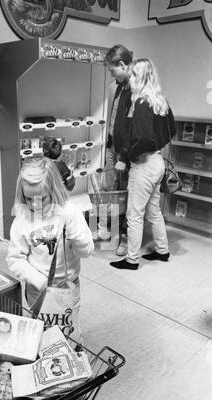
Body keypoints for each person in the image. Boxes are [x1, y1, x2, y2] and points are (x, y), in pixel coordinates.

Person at [6, 157, 94, 336]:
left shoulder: (69, 212)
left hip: (68, 286)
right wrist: (40, 282)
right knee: (37, 333)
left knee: (66, 335)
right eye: (28, 199)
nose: (35, 205)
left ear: (54, 190)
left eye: (42, 198)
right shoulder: (22, 219)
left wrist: (76, 236)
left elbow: (86, 251)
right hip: (36, 289)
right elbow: (15, 259)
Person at [110, 58, 176, 271]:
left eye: (134, 75)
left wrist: (130, 156)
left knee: (134, 215)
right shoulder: (160, 100)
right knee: (153, 211)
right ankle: (162, 250)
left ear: (141, 77)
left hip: (144, 163)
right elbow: (170, 132)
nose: (130, 78)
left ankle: (131, 260)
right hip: (157, 161)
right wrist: (154, 146)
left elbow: (143, 138)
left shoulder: (141, 102)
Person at [103, 44, 133, 254]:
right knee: (110, 190)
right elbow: (115, 119)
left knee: (124, 194)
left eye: (112, 70)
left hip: (124, 153)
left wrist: (123, 155)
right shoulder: (120, 85)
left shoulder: (135, 88)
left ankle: (124, 237)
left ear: (122, 64)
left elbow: (131, 127)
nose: (111, 75)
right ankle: (111, 230)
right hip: (112, 146)